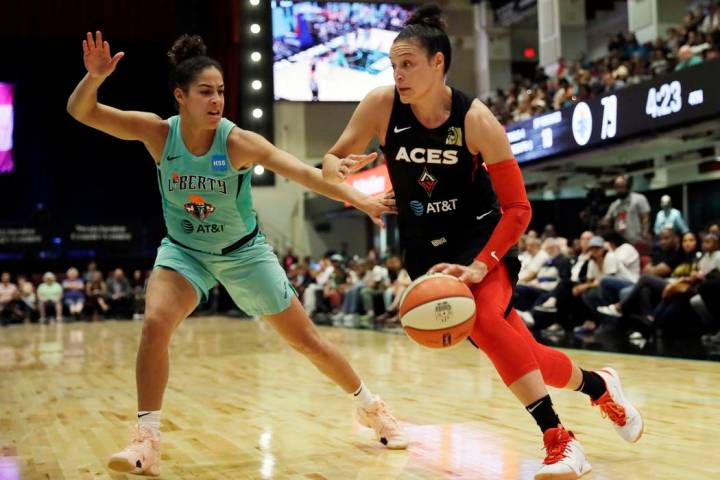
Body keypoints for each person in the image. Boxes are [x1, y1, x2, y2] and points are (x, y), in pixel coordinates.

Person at [322, 6, 642, 478]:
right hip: (425, 256)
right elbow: (333, 158)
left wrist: (480, 264)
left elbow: (519, 209)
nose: (398, 74)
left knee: (488, 325)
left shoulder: (477, 120)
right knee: (519, 351)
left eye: (408, 63)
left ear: (438, 63)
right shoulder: (380, 105)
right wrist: (344, 181)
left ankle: (560, 440)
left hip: (480, 244)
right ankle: (598, 386)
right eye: (393, 66)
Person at [67, 31, 406, 476]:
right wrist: (93, 78)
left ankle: (370, 407)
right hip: (186, 253)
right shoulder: (156, 133)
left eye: (221, 91)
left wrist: (361, 200)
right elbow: (81, 111)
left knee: (308, 342)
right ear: (180, 97)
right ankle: (147, 439)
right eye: (206, 92)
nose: (217, 100)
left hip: (244, 253)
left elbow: (305, 174)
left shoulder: (238, 142)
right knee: (155, 323)